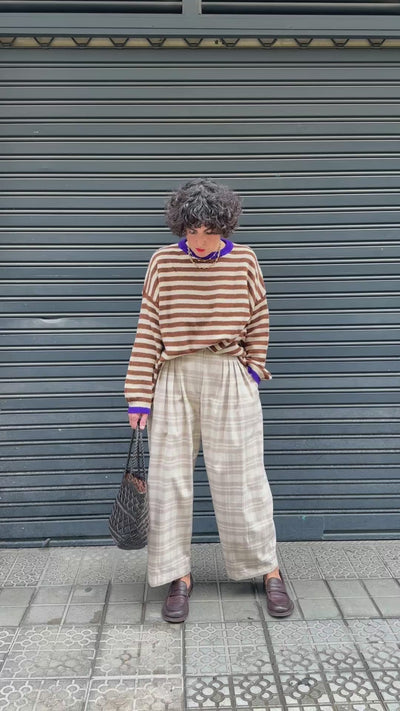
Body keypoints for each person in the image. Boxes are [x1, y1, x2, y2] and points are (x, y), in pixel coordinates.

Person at [124, 177, 294, 623]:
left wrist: (253, 368)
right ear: (180, 226)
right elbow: (148, 328)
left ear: (225, 226)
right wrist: (139, 396)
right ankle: (177, 575)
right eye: (191, 230)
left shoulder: (244, 260)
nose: (199, 240)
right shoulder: (163, 262)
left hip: (228, 374)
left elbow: (259, 317)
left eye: (209, 230)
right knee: (169, 481)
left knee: (244, 478)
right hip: (174, 376)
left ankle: (268, 568)